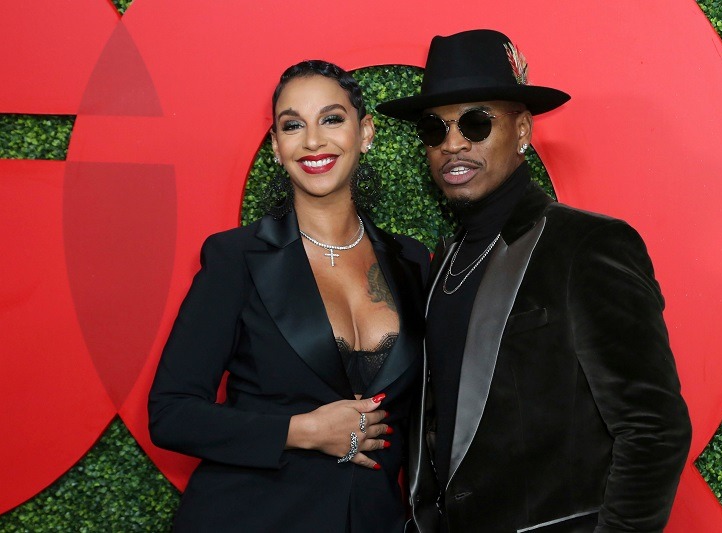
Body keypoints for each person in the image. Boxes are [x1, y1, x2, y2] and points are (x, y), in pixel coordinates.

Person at [376, 30, 692, 532]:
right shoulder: (446, 262)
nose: (453, 144)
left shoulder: (587, 245)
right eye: (435, 129)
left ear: (522, 129)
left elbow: (654, 428)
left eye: (476, 122)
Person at [149, 60, 429, 532]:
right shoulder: (237, 258)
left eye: (331, 119)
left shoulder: (413, 262)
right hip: (250, 516)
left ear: (365, 132)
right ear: (277, 147)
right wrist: (301, 431)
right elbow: (171, 412)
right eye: (293, 125)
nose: (313, 140)